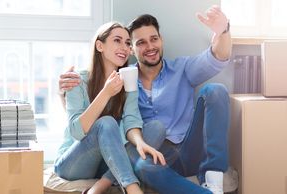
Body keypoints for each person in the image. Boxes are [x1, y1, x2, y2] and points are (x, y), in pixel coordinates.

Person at [59, 5, 231, 194]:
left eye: (154, 39)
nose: (150, 47)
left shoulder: (177, 70)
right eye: (140, 42)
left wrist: (223, 31)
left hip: (185, 148)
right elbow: (79, 128)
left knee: (213, 92)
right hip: (147, 156)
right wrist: (64, 94)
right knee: (138, 158)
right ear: (132, 50)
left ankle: (213, 180)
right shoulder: (111, 80)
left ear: (161, 41)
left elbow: (217, 57)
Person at [54, 21, 165, 194]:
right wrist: (106, 93)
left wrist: (140, 143)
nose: (124, 47)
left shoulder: (128, 80)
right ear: (100, 45)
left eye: (128, 43)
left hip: (106, 163)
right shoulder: (77, 80)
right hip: (73, 164)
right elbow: (76, 132)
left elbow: (131, 120)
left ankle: (102, 184)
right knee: (106, 122)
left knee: (156, 128)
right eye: (117, 40)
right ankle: (132, 187)